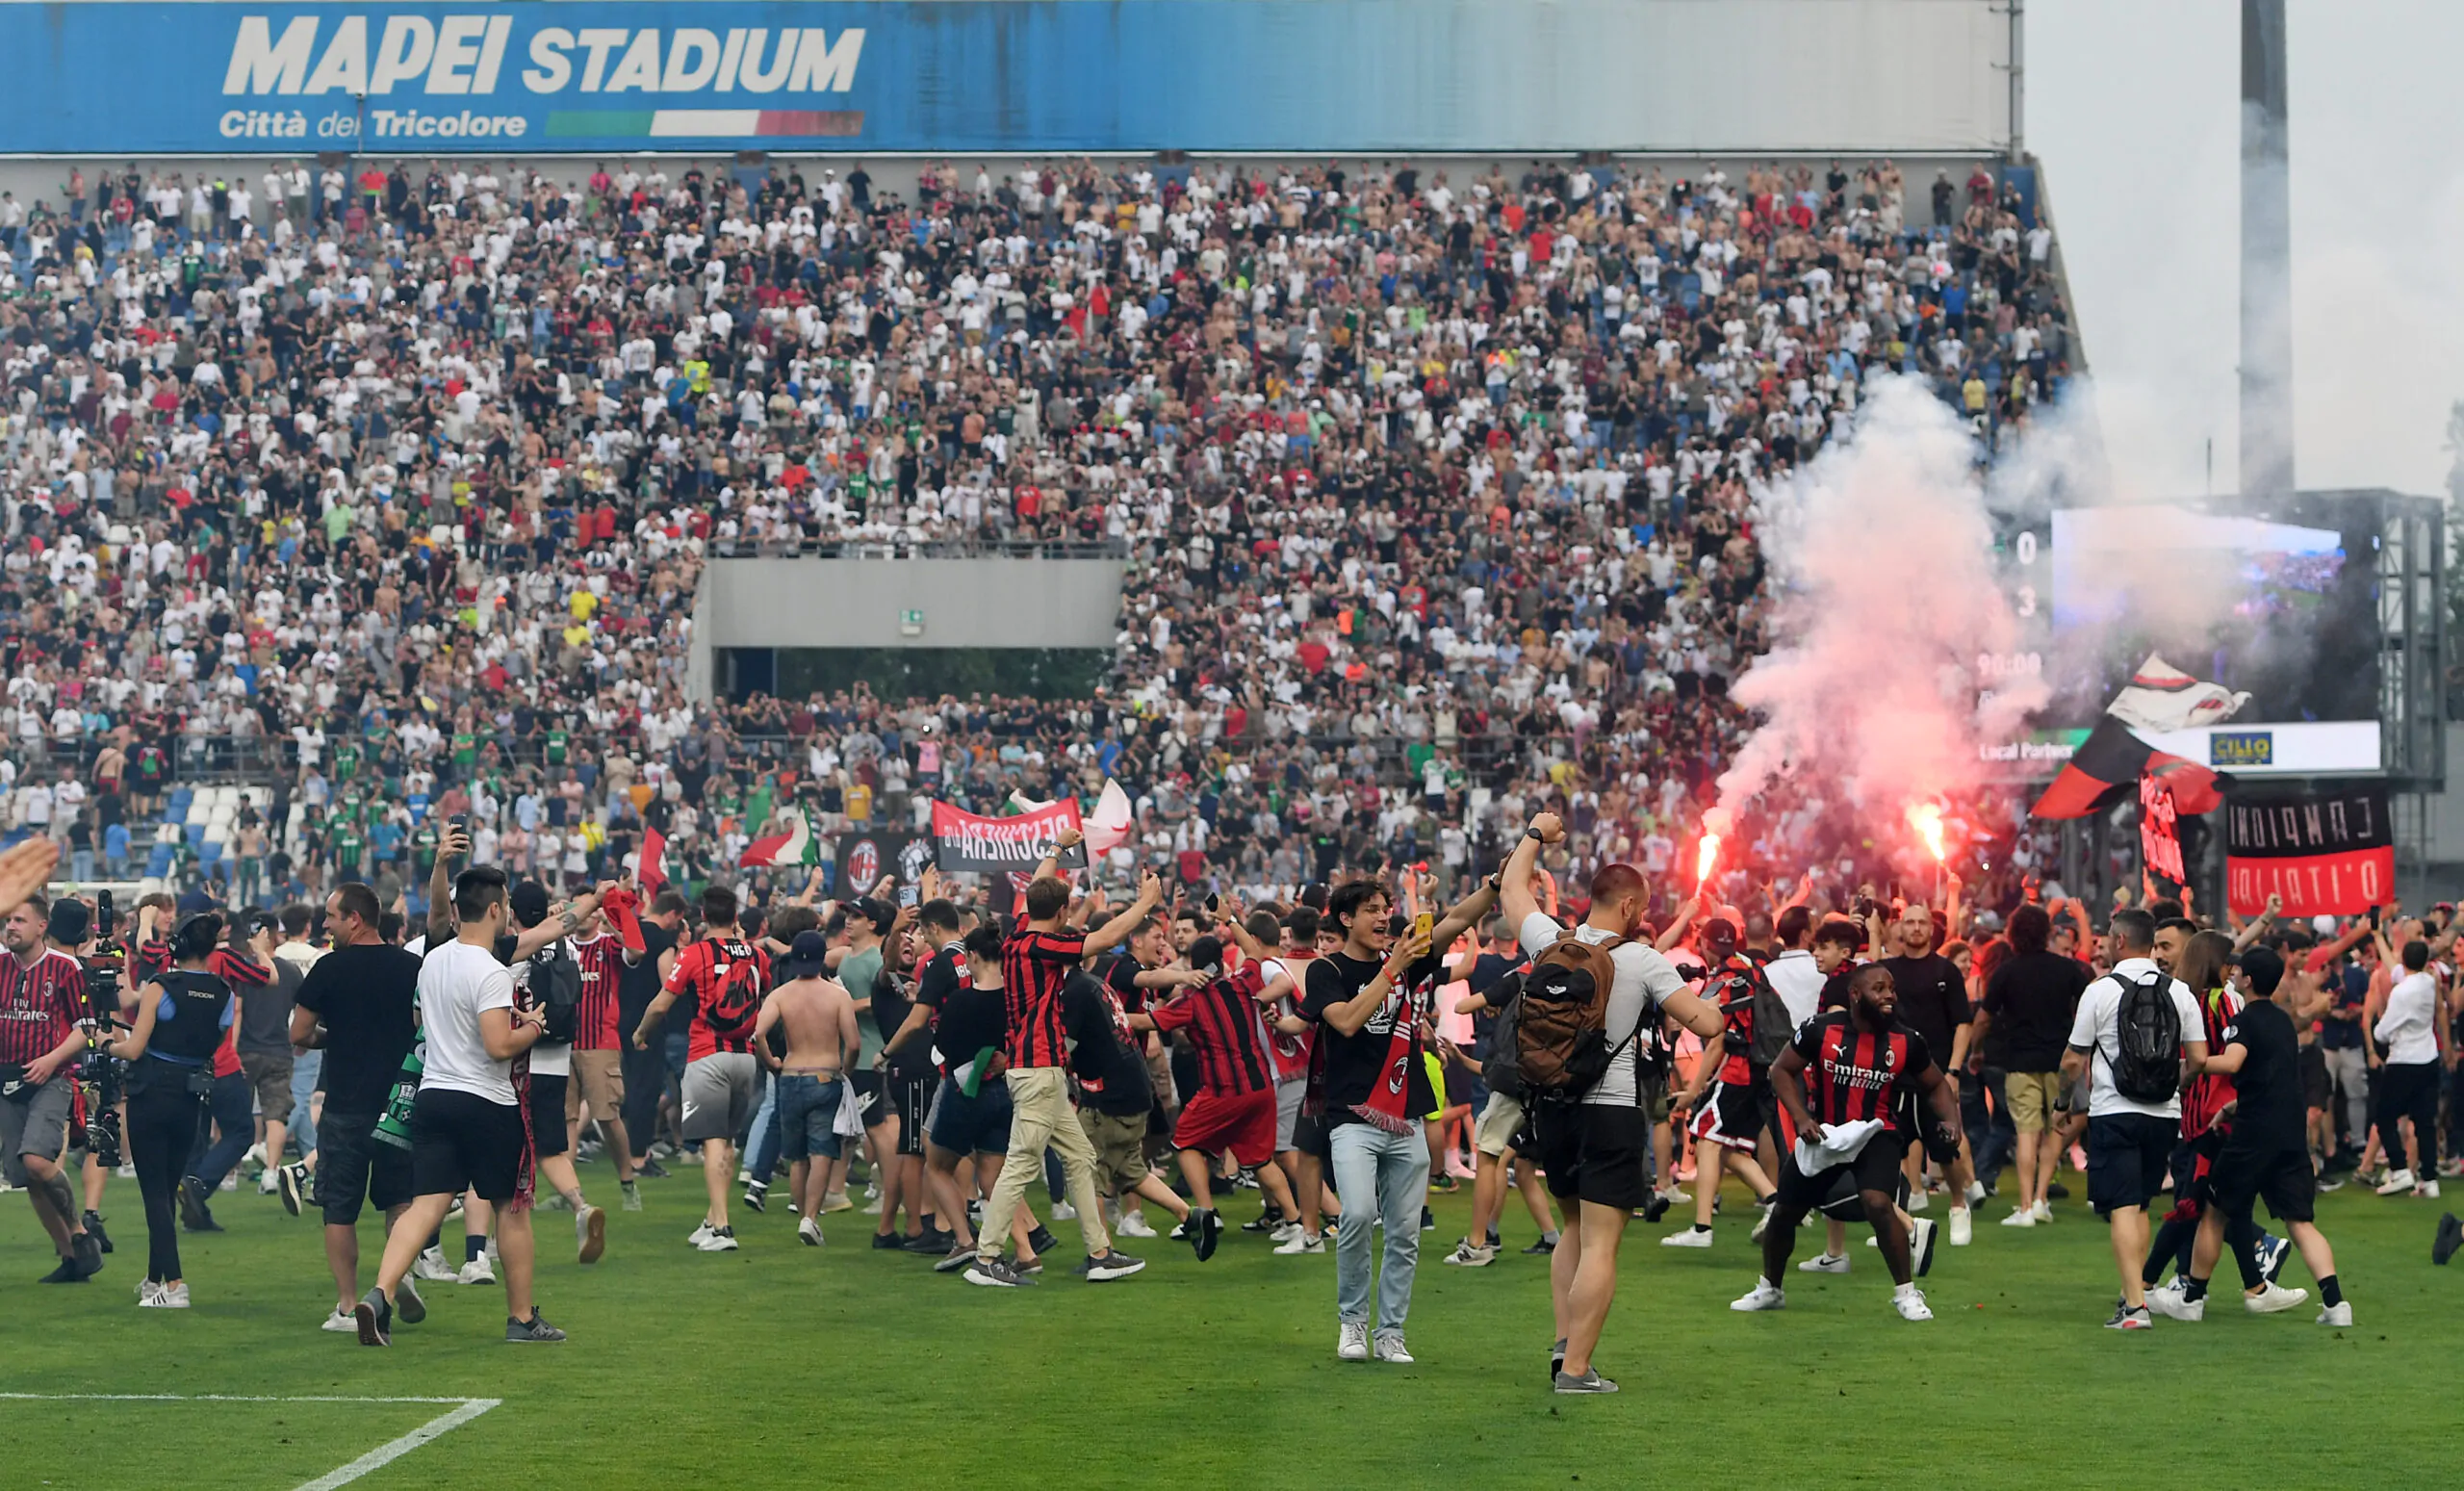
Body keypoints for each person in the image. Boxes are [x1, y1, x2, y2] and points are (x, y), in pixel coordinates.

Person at [1502, 813, 1720, 1392]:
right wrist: (1710, 996)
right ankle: (1576, 1370)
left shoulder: (1552, 940)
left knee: (1572, 1228)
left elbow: (1511, 890)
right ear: (1629, 908)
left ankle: (1561, 1345)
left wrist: (1534, 835)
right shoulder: (1643, 960)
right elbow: (1709, 1022)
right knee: (1602, 1241)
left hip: (1553, 1106)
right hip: (1612, 1106)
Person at [356, 865, 565, 1346]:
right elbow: (497, 1045)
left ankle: (381, 1293)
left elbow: (419, 1016)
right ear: (495, 908)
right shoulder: (491, 970)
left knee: (426, 1204)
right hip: (487, 1101)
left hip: (434, 1095)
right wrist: (532, 1025)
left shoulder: (434, 961)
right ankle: (521, 1318)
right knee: (512, 1207)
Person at [963, 831, 1154, 1288]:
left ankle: (1100, 1251)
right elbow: (1107, 936)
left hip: (1033, 1069)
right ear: (1064, 912)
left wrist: (1054, 851)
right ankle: (987, 1257)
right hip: (1040, 1069)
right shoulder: (1046, 945)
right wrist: (1146, 901)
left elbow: (1040, 891)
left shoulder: (1016, 937)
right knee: (1021, 1163)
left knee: (1081, 1156)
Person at [1732, 963, 1966, 1322]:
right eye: (1879, 989)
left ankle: (1906, 1293)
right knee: (1784, 1213)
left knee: (1878, 1202)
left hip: (1877, 1133)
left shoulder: (1907, 1040)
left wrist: (1951, 1119)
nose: (1889, 995)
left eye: (1891, 988)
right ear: (1855, 995)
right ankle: (1771, 1289)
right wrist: (1800, 1118)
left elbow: (1935, 1084)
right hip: (1824, 1134)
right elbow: (1780, 1070)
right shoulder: (1819, 1030)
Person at [1300, 878, 1463, 1365]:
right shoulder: (1326, 970)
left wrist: (1498, 882)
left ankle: (1390, 1331)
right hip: (1352, 1115)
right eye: (1370, 909)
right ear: (1345, 919)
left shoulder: (1407, 959)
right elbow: (1346, 1022)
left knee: (1405, 1232)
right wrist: (1393, 968)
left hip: (1407, 1116)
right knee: (1354, 1214)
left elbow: (1459, 921)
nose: (1382, 916)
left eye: (1386, 907)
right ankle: (1352, 1323)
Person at [2154, 947, 2352, 1325]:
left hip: (2253, 1134)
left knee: (2214, 1212)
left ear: (2247, 980)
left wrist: (2188, 1064)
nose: (2232, 974)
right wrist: (2231, 1107)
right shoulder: (2283, 1021)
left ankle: (2191, 1299)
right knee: (2300, 1222)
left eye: (2238, 971)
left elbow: (2232, 1063)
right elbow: (2271, 1077)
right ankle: (2336, 1304)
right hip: (2290, 1133)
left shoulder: (2245, 1020)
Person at [2061, 908, 2208, 1330]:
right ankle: (2136, 1294)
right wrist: (2173, 1086)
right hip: (2164, 1114)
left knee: (2124, 1207)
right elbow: (2197, 1058)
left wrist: (2063, 1104)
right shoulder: (2181, 992)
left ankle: (2136, 1307)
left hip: (2114, 1110)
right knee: (2141, 1204)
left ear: (2119, 941)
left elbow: (2074, 1059)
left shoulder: (2100, 990)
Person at [292, 881, 425, 1333]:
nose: (325, 925)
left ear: (355, 919)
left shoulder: (329, 968)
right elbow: (423, 1026)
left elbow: (299, 1034)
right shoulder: (412, 966)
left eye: (331, 916)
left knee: (339, 1208)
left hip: (346, 1104)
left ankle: (348, 1305)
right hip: (397, 1105)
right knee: (401, 1201)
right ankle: (393, 1280)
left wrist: (334, 1037)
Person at [1131, 935, 1297, 1259]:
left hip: (1225, 1090)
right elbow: (1253, 950)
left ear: (1193, 967)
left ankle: (1205, 1213)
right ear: (1222, 962)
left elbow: (1147, 1021)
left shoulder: (1191, 1000)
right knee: (1261, 1160)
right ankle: (1296, 1223)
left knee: (1184, 1142)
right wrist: (1231, 919)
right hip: (1260, 1086)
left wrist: (1108, 1012)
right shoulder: (1244, 982)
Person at [103, 913, 234, 1306]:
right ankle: (154, 1278)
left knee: (154, 1194)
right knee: (167, 1185)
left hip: (153, 1092)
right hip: (192, 1094)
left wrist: (106, 1045)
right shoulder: (224, 992)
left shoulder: (163, 987)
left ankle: (175, 1284)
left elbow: (134, 1047)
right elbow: (212, 1040)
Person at [633, 885, 766, 1253]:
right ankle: (712, 1217)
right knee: (725, 1141)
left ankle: (722, 1228)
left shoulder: (694, 954)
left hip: (708, 1054)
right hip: (745, 1056)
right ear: (736, 916)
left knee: (711, 1142)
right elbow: (760, 1000)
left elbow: (662, 1004)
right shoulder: (757, 956)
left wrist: (641, 1032)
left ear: (703, 917)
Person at [1, 879, 105, 1283]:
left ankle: (80, 1233)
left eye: (19, 920)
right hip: (7, 1078)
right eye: (8, 919)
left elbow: (86, 1027)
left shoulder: (66, 969)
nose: (11, 926)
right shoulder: (0, 967)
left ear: (42, 926)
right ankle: (71, 1258)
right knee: (24, 1175)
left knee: (37, 1161)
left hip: (51, 1076)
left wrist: (51, 1059)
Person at [505, 881, 609, 1265]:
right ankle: (580, 1206)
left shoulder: (514, 951)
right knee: (549, 1147)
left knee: (504, 1148)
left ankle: (487, 1246)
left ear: (511, 911)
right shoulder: (567, 948)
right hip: (556, 1057)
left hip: (518, 1061)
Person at [1972, 902, 2090, 1225]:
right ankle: (2040, 1200)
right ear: (2048, 933)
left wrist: (1976, 1051)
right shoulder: (2066, 969)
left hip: (2020, 1060)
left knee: (2026, 1133)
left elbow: (1984, 1018)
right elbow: (2090, 1001)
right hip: (2061, 1060)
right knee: (2055, 1131)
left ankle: (2024, 1207)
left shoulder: (2006, 972)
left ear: (2011, 934)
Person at [1667, 915, 1781, 1249]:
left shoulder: (1724, 978)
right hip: (1760, 1067)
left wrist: (1694, 1090)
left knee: (1704, 1132)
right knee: (1728, 1147)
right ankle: (1775, 1203)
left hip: (1739, 1068)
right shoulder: (1750, 967)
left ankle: (1702, 1229)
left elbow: (1717, 1039)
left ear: (1704, 944)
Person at [1879, 899, 1980, 1245]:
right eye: (1910, 922)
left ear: (1932, 929)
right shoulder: (1887, 971)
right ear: (1900, 928)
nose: (1916, 928)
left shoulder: (1945, 972)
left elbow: (1963, 1025)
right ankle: (1895, 1220)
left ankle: (1957, 1204)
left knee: (1945, 1149)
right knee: (1890, 1151)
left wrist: (1953, 1070)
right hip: (1893, 1075)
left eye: (1922, 922)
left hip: (1934, 1074)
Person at [752, 929, 860, 1247]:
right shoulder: (838, 996)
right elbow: (852, 1043)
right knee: (823, 1152)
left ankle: (804, 1218)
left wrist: (772, 1061)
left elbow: (758, 1032)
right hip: (825, 1074)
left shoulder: (781, 994)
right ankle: (810, 1218)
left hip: (790, 1075)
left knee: (796, 1156)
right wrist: (845, 1072)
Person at [2369, 939, 2448, 1198]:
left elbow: (2381, 1033)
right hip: (2428, 1058)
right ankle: (2429, 1179)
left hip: (2403, 1061)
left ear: (2404, 960)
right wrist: (2378, 935)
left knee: (2384, 1117)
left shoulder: (2401, 993)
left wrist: (2380, 1018)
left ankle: (2400, 1169)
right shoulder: (2429, 981)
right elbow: (2398, 970)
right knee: (2425, 1121)